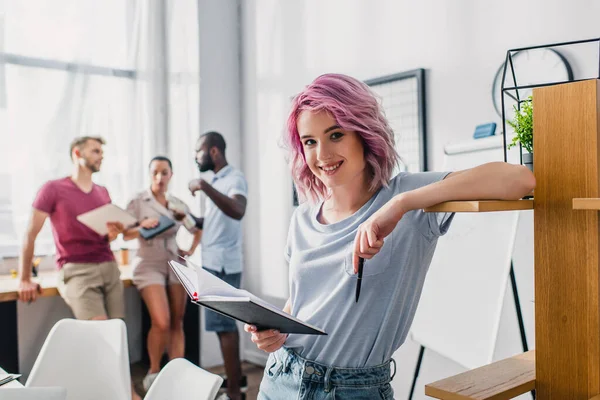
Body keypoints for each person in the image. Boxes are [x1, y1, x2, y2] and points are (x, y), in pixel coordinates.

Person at [244, 73, 537, 400]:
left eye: (336, 135)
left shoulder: (408, 197)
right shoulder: (303, 217)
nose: (322, 154)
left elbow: (520, 179)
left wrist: (400, 205)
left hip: (353, 390)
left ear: (363, 134)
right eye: (310, 141)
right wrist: (275, 331)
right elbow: (303, 300)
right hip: (281, 376)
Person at [17, 136, 142, 400]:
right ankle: (125, 394)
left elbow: (107, 236)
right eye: (95, 151)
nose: (101, 156)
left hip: (108, 267)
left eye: (102, 152)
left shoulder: (102, 192)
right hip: (76, 271)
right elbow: (30, 234)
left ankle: (123, 392)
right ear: (77, 153)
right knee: (103, 339)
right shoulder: (52, 189)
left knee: (117, 338)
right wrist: (25, 278)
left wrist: (115, 232)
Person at [122, 156, 201, 391]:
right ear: (149, 174)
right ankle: (154, 372)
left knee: (177, 321)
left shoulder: (177, 204)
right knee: (162, 321)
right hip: (148, 263)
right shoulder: (138, 201)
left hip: (175, 263)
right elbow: (124, 234)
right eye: (155, 172)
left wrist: (190, 250)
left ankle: (177, 375)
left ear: (171, 175)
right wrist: (140, 227)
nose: (159, 177)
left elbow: (196, 230)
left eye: (164, 173)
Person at [188, 131, 248, 400]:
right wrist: (188, 217)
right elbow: (214, 221)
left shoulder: (233, 178)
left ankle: (235, 392)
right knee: (222, 326)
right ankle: (236, 382)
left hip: (223, 266)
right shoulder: (217, 181)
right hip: (212, 262)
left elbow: (237, 210)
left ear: (213, 151)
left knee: (225, 327)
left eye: (198, 151)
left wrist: (203, 186)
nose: (195, 157)